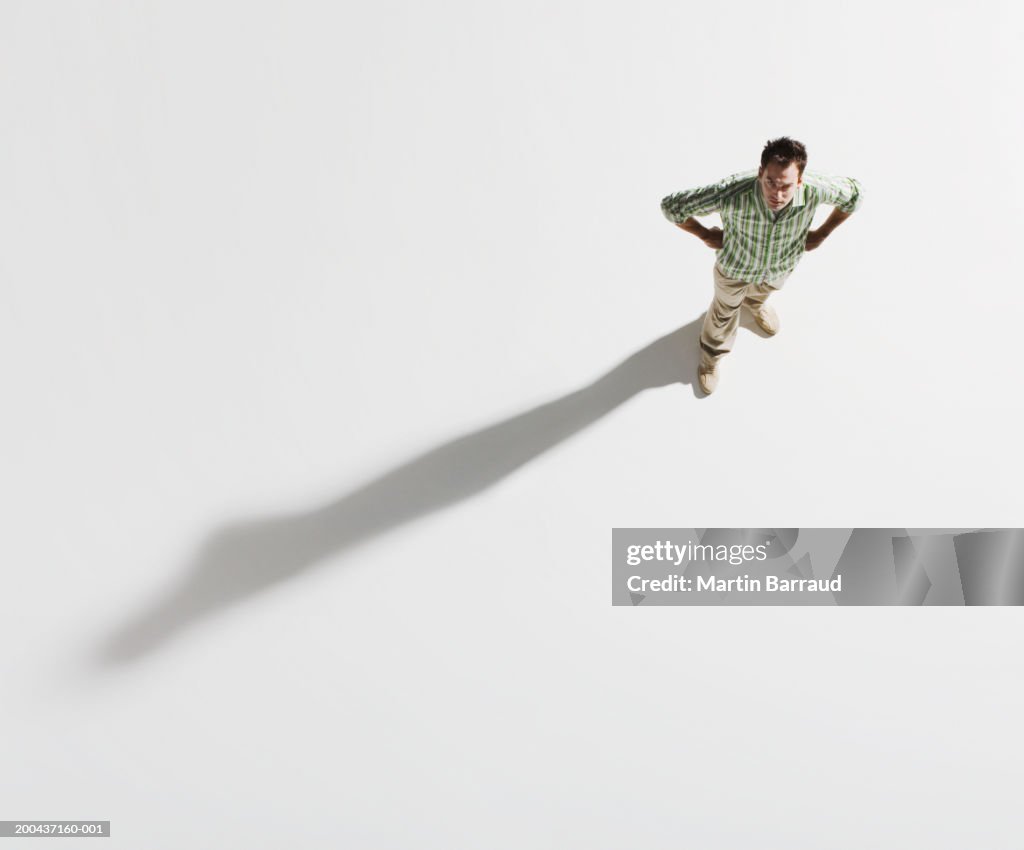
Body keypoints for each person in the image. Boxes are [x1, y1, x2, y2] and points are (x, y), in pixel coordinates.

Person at [661, 137, 862, 394]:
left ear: (799, 181)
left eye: (786, 186)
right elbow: (672, 207)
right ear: (760, 173)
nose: (777, 194)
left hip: (781, 265)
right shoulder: (733, 193)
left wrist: (822, 233)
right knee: (723, 313)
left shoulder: (809, 191)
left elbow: (855, 195)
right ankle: (711, 358)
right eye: (770, 182)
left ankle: (754, 304)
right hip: (736, 267)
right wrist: (705, 234)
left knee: (764, 291)